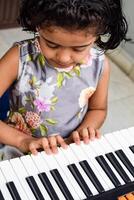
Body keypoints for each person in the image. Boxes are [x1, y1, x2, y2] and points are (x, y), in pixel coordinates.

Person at [0, 0, 129, 159]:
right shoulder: (19, 58)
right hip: (19, 148)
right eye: (51, 44)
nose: (64, 58)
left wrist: (85, 130)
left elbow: (98, 109)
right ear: (37, 25)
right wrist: (23, 141)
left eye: (78, 48)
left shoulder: (100, 65)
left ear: (98, 35)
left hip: (69, 151)